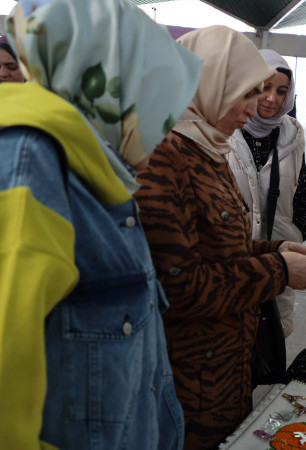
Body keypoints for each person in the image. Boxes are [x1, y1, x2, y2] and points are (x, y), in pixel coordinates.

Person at [0, 0, 202, 448]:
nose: (165, 135)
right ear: (113, 93)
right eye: (158, 111)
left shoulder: (102, 180)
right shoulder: (29, 169)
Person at [134, 26, 306, 449]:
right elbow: (178, 287)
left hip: (225, 367)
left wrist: (276, 248)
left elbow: (222, 249)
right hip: (189, 378)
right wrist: (277, 270)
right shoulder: (164, 158)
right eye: (245, 94)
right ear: (208, 84)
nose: (256, 106)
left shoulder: (209, 147)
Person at [227, 49, 306, 338]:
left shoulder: (293, 134)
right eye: (263, 87)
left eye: (281, 91)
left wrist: (297, 230)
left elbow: (301, 189)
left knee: (270, 338)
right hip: (235, 255)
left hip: (280, 253)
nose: (271, 99)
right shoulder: (226, 130)